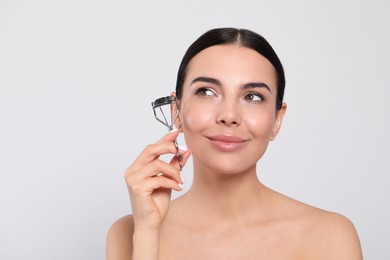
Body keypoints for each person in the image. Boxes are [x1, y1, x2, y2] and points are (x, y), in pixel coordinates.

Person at [106, 28, 363, 259]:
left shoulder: (329, 236)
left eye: (252, 96)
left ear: (276, 120)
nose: (229, 116)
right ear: (177, 111)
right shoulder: (129, 232)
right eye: (206, 92)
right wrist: (147, 233)